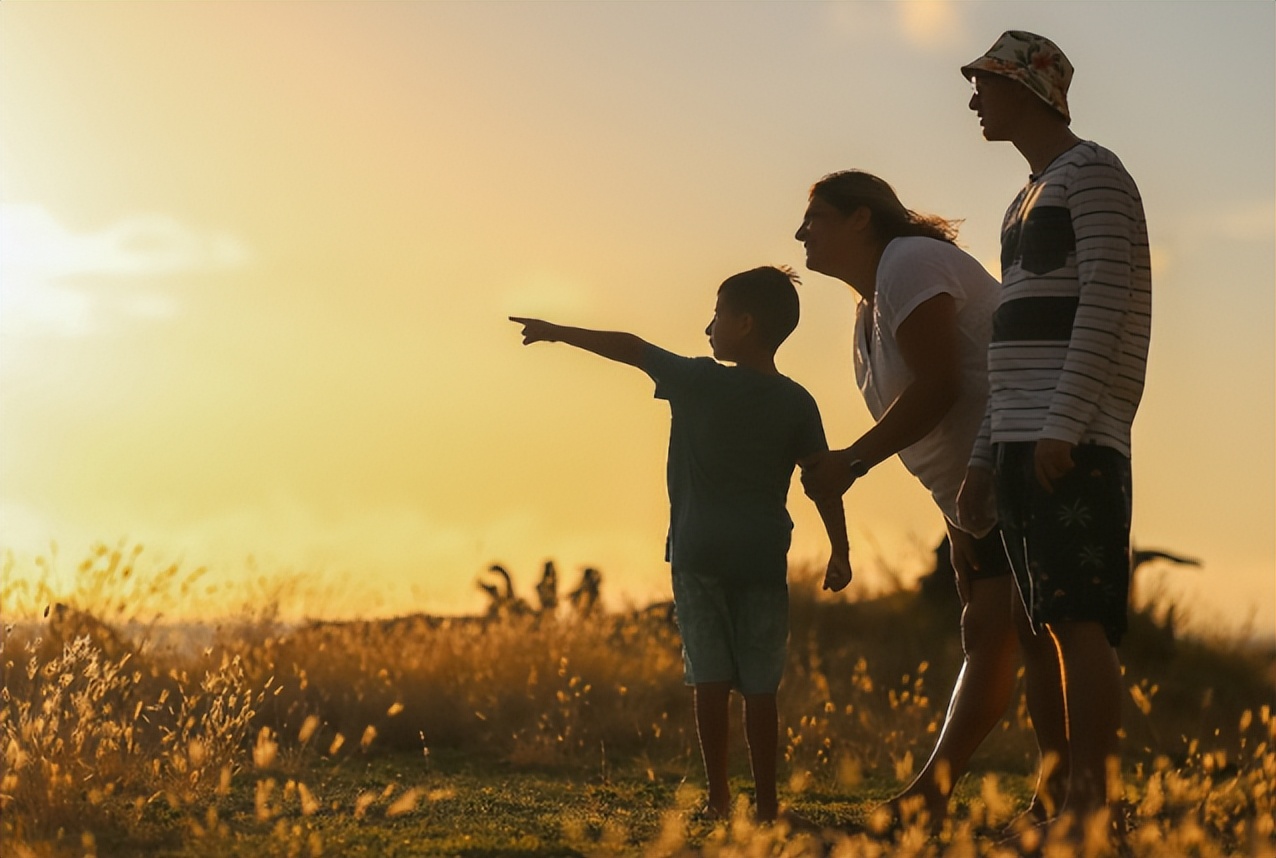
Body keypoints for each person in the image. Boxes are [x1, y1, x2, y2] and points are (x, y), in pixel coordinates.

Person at [510, 266, 852, 823]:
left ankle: (719, 800)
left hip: (698, 555)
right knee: (760, 688)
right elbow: (822, 480)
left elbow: (631, 348)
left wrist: (559, 332)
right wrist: (841, 550)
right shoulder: (796, 401)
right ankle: (767, 806)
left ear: (745, 324)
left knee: (709, 679)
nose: (709, 327)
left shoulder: (697, 380)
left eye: (717, 315)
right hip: (763, 558)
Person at [795, 170, 1067, 830]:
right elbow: (943, 414)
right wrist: (956, 523)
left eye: (816, 217)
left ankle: (1054, 802)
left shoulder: (909, 262)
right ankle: (961, 798)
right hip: (979, 489)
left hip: (1025, 459)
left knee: (1032, 634)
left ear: (862, 218)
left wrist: (853, 460)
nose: (802, 232)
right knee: (995, 634)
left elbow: (942, 385)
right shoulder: (869, 308)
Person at [956, 31, 1152, 829]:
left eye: (985, 83)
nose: (974, 98)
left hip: (1070, 440)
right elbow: (1010, 342)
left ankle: (1090, 812)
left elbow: (1107, 304)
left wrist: (1064, 424)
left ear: (1028, 90)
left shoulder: (1095, 174)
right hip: (1019, 440)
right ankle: (1060, 803)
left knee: (1078, 620)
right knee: (1039, 624)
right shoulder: (1024, 198)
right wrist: (983, 457)